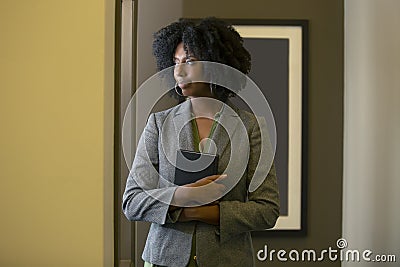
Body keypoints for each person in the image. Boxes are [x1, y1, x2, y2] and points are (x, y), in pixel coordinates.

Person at [123, 17, 280, 267]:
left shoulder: (251, 127)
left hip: (227, 260)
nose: (178, 71)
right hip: (163, 259)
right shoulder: (158, 124)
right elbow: (132, 201)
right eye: (175, 63)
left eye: (190, 61)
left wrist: (209, 213)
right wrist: (183, 197)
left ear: (216, 64)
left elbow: (267, 209)